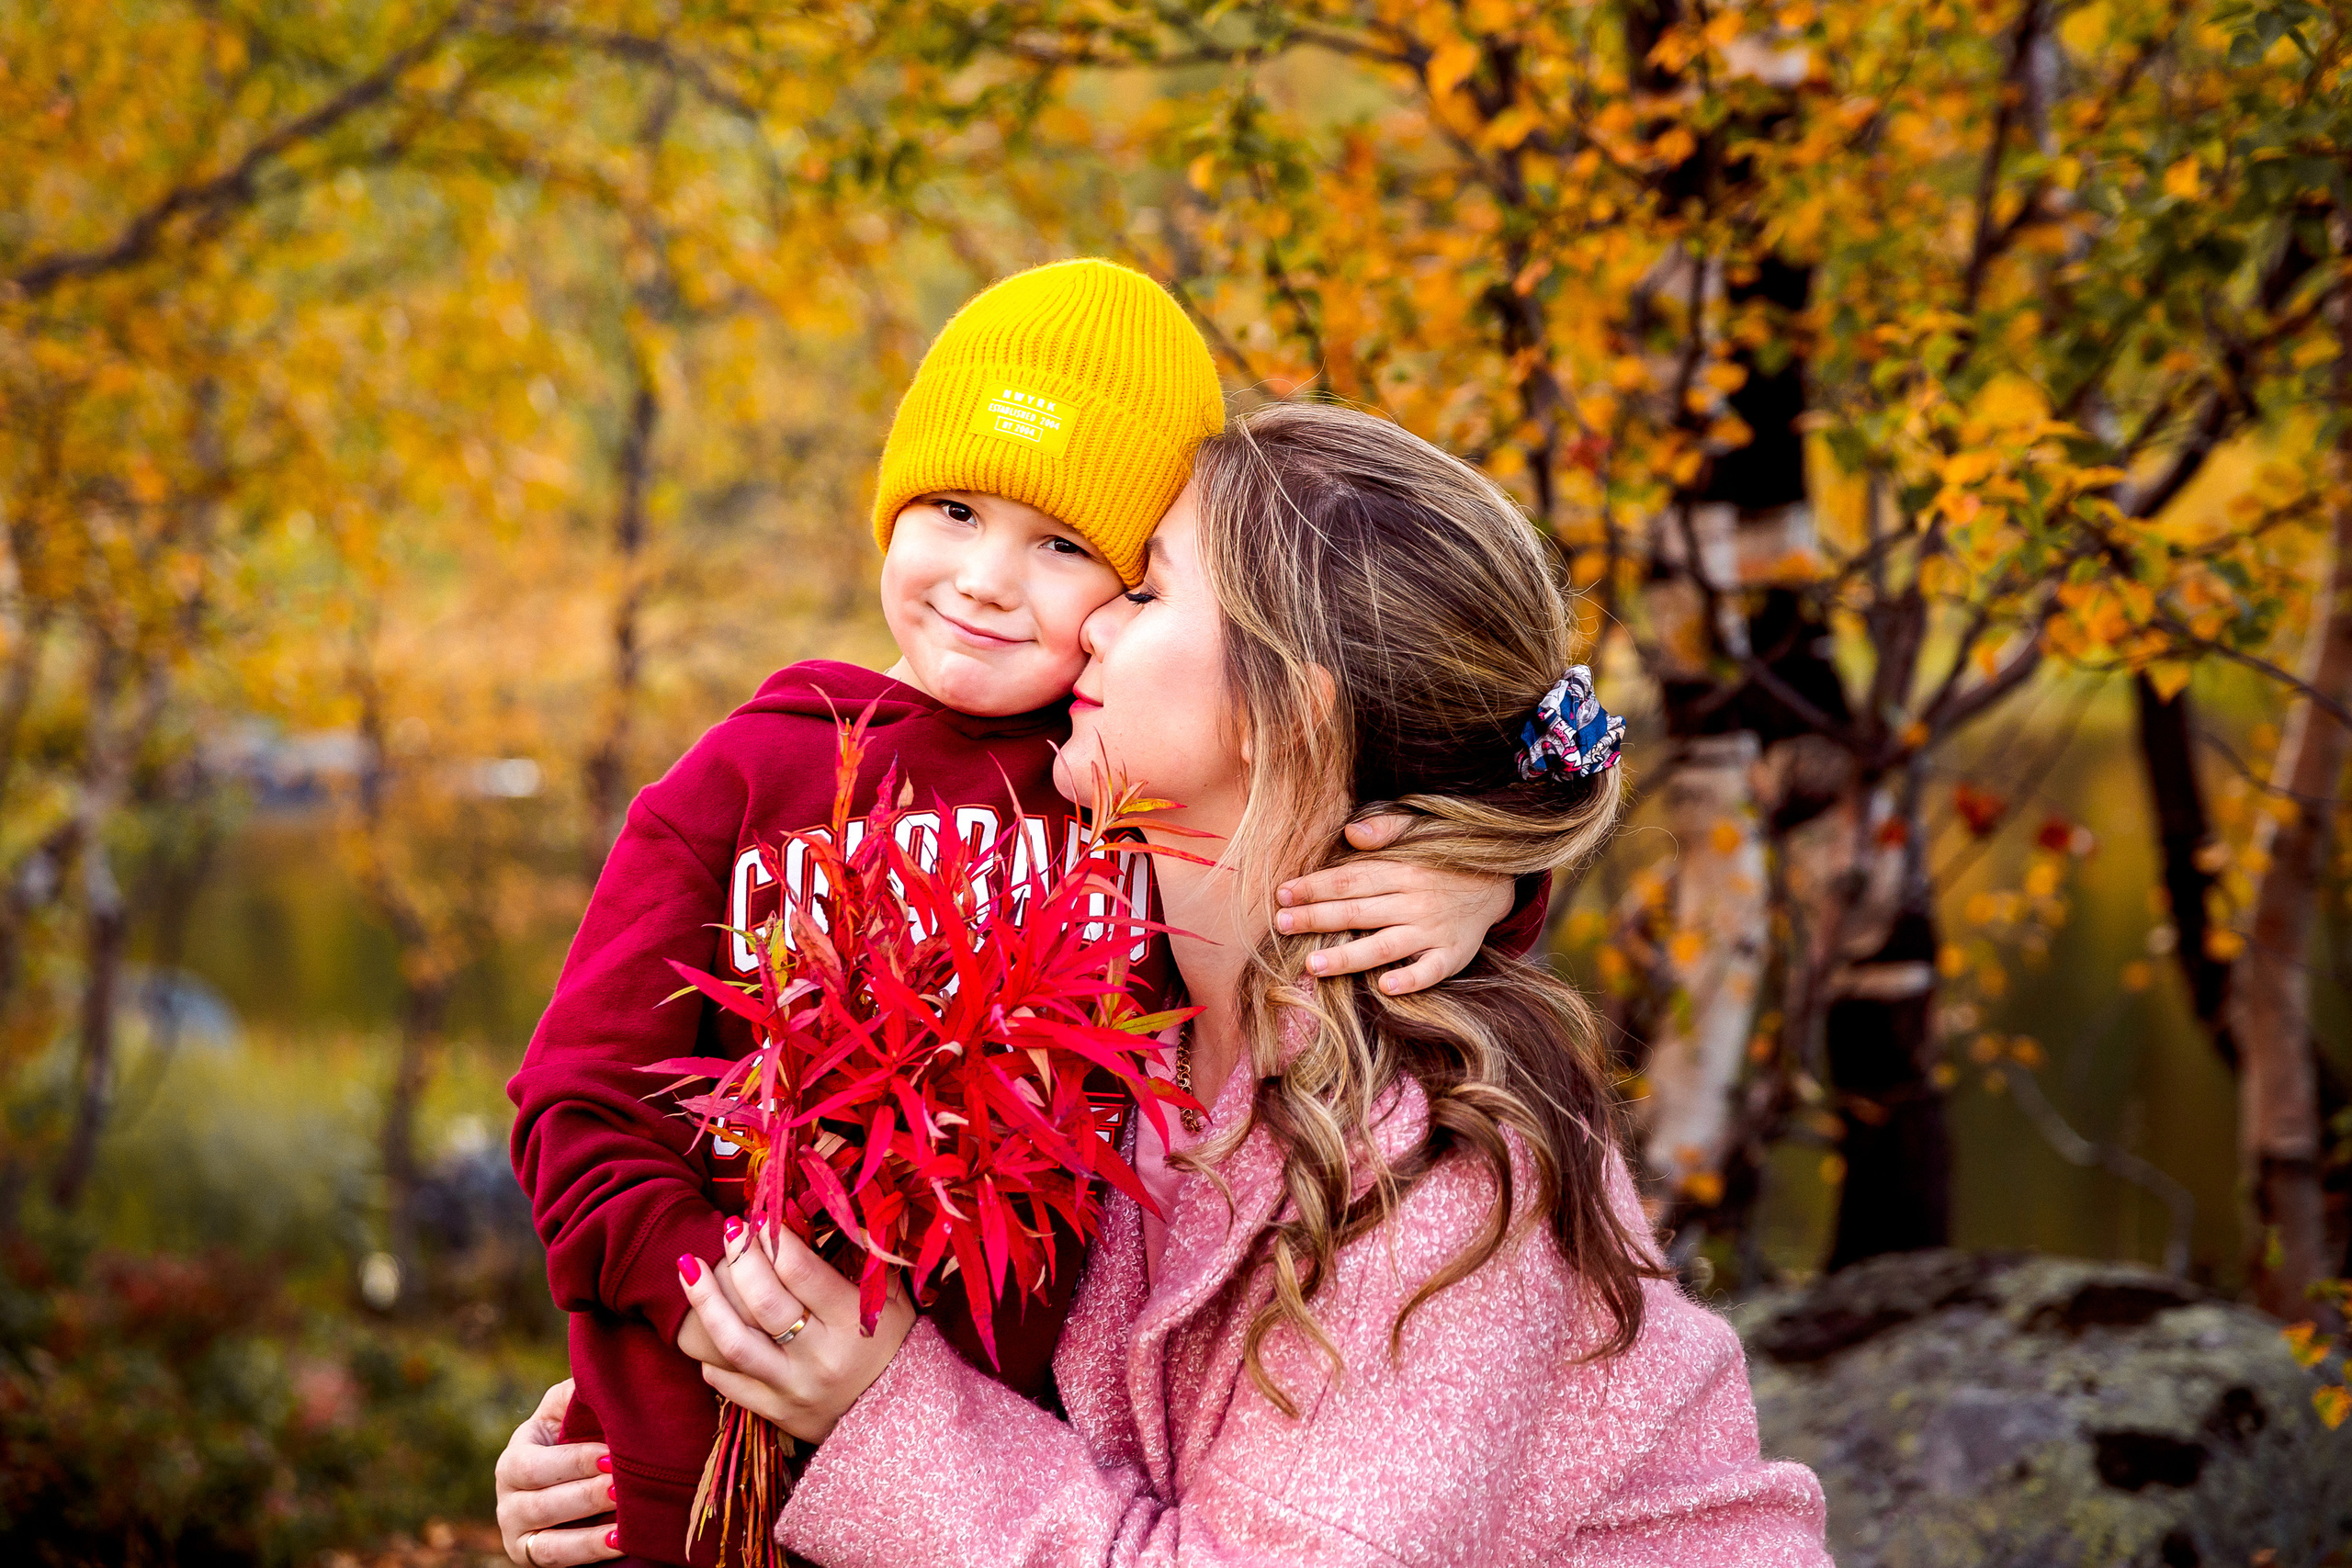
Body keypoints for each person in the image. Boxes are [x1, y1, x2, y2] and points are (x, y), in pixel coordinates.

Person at [506, 400, 1831, 1565]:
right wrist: (663, 1433)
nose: (1077, 623)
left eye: (1139, 589)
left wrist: (873, 1407)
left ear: (1286, 713)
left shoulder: (1449, 1172)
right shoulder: (1104, 944)